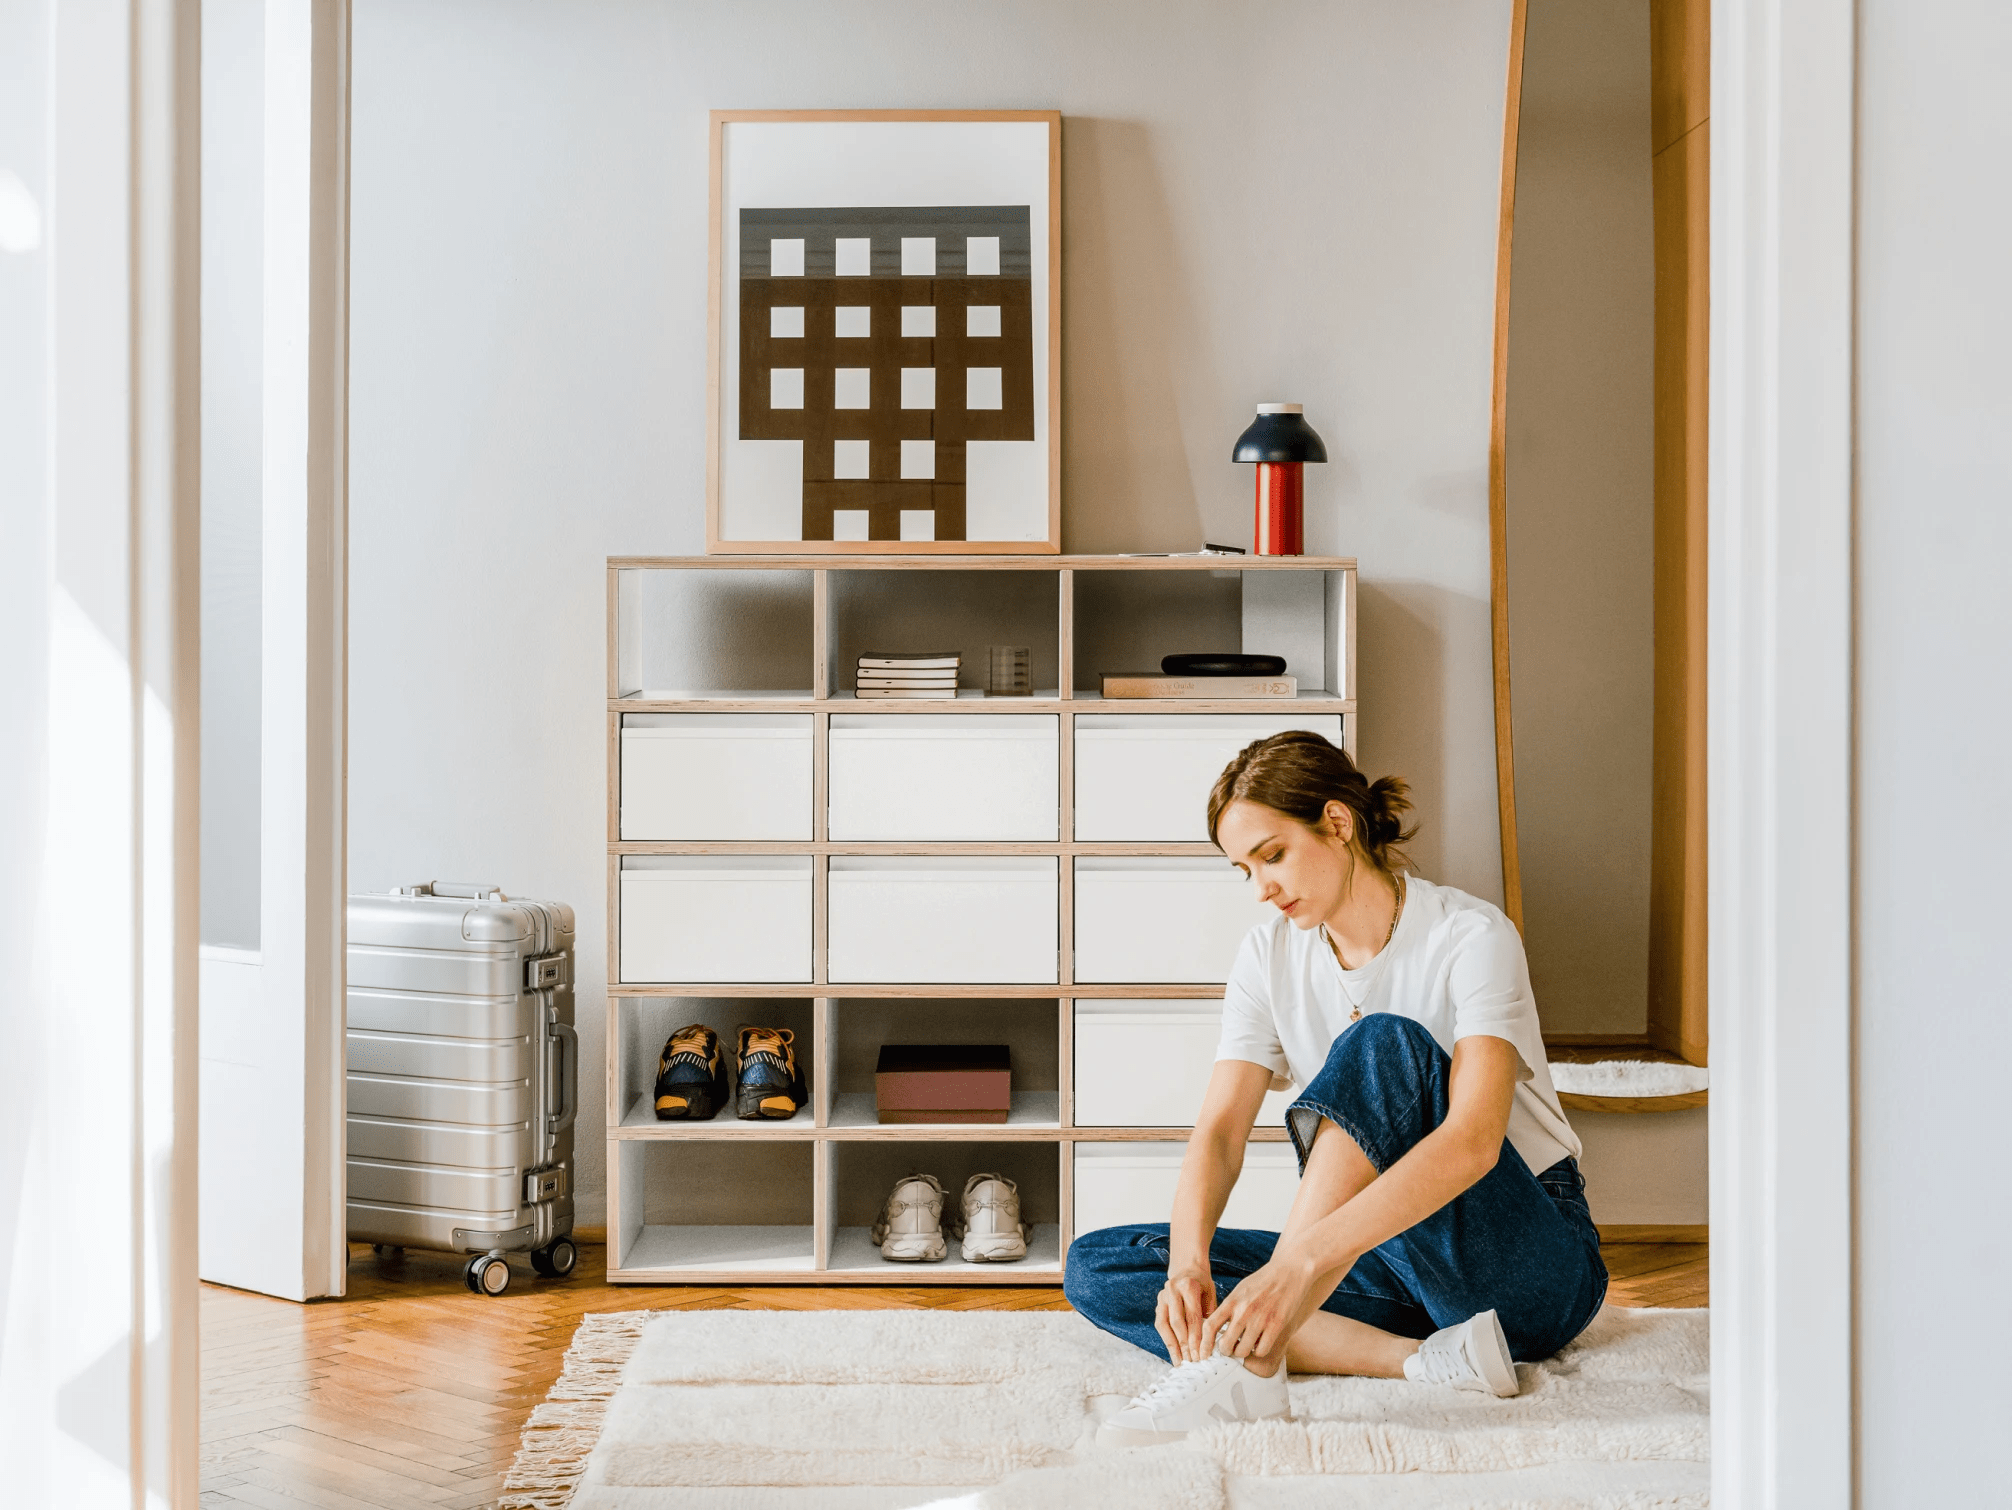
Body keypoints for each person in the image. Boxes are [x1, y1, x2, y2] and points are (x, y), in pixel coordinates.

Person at [1064, 731, 1607, 1448]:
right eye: (1244, 870)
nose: (1261, 888)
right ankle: (1421, 1360)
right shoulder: (1268, 955)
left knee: (1384, 1042)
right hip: (1390, 1262)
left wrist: (1297, 1266)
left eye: (1273, 855)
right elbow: (1222, 1132)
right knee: (1107, 1265)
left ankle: (1250, 1364)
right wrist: (1190, 1264)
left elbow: (1473, 1143)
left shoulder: (1471, 936)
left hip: (1524, 1263)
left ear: (1338, 823)